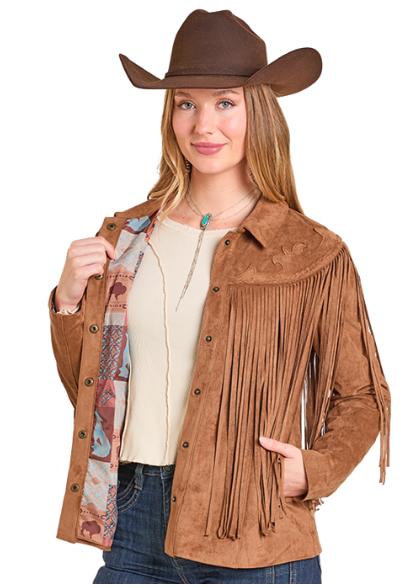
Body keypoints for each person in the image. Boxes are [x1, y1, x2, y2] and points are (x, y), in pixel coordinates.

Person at [48, 9, 391, 585]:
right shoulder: (124, 238)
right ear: (170, 115)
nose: (204, 125)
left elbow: (361, 394)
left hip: (252, 525)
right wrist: (68, 303)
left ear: (259, 113)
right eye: (187, 103)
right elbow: (92, 394)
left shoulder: (310, 251)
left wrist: (316, 470)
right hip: (131, 520)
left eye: (225, 102)